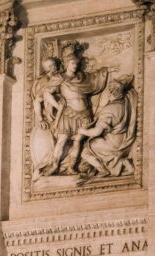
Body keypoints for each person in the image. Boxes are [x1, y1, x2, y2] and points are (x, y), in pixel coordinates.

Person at [42, 43, 107, 176]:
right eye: (72, 63)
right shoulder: (59, 78)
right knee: (62, 140)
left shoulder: (82, 77)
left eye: (76, 63)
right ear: (66, 64)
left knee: (78, 141)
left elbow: (95, 80)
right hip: (68, 113)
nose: (75, 65)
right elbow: (46, 94)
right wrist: (57, 105)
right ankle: (54, 165)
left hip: (84, 114)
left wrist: (106, 71)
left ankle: (72, 166)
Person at [74, 76, 138, 181]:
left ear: (111, 92)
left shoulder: (109, 110)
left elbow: (96, 132)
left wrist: (82, 131)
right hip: (123, 139)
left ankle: (103, 170)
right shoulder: (125, 103)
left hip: (112, 143)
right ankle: (123, 162)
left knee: (85, 152)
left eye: (108, 90)